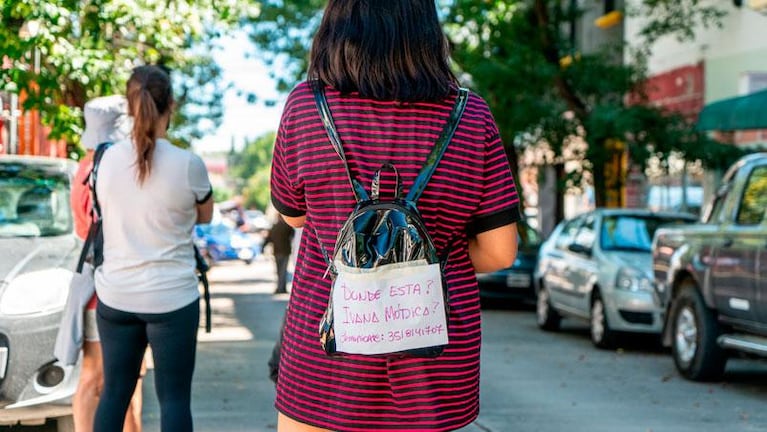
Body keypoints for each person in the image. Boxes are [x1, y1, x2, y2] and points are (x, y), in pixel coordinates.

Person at [269, 1, 520, 431]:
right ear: (425, 26)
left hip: (323, 374)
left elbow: (294, 216)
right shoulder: (471, 116)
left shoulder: (305, 108)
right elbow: (499, 253)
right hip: (435, 379)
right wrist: (414, 264)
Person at [93, 65, 214, 432]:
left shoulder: (107, 160)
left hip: (116, 296)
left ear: (130, 106)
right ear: (170, 106)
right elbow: (205, 217)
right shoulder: (188, 164)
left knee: (114, 393)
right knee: (174, 399)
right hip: (172, 300)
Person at [69, 95, 144, 432]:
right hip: (110, 287)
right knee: (100, 377)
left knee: (117, 378)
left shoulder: (86, 167)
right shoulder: (102, 168)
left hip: (108, 285)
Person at [263, 215, 295, 294]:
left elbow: (268, 239)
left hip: (276, 251)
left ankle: (280, 287)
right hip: (285, 251)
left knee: (278, 271)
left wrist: (263, 247)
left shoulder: (274, 227)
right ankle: (282, 288)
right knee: (283, 271)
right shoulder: (287, 227)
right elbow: (293, 235)